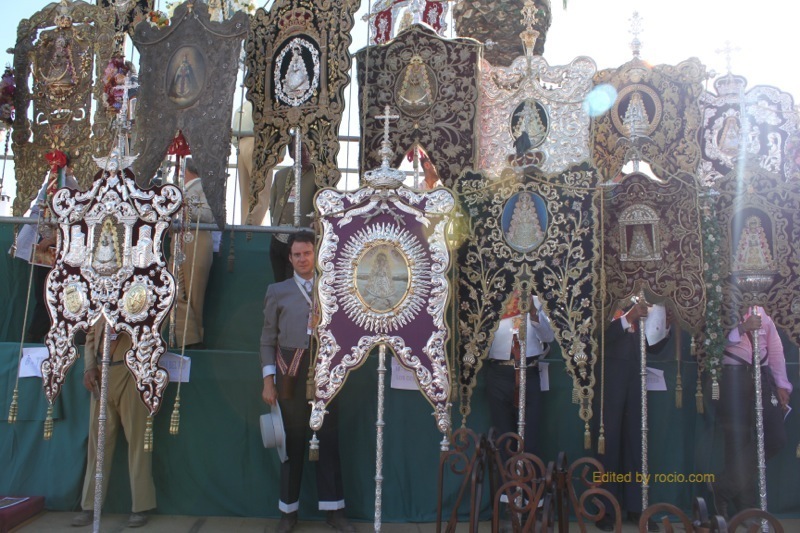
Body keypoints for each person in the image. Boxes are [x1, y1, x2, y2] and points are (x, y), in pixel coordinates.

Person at [259, 233, 354, 533]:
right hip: (290, 374)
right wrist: (268, 381)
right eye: (297, 254)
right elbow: (267, 340)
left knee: (329, 441)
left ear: (316, 254)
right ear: (289, 258)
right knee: (291, 442)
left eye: (307, 253)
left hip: (327, 373)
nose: (302, 259)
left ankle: (334, 511)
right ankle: (288, 513)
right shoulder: (277, 291)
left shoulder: (333, 289)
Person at [71, 318, 156, 528]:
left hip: (132, 374)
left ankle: (140, 507)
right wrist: (89, 367)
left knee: (138, 442)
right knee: (98, 443)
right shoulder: (102, 304)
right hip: (102, 374)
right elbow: (91, 336)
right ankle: (90, 506)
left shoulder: (144, 300)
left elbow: (154, 331)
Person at [709, 306, 792, 518]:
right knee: (737, 440)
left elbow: (775, 349)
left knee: (775, 438)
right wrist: (742, 328)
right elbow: (712, 344)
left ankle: (723, 487)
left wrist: (782, 384)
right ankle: (744, 509)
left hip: (762, 376)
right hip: (732, 376)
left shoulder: (763, 310)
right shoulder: (721, 305)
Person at [594, 301, 669, 533]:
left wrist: (665, 325)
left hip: (636, 376)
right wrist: (628, 318)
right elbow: (596, 336)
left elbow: (652, 346)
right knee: (608, 443)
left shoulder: (643, 300)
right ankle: (604, 509)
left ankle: (638, 507)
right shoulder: (603, 297)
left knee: (637, 441)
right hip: (609, 376)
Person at [10, 158, 78, 343]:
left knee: (62, 295)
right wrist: (42, 237)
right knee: (42, 294)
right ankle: (36, 336)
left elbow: (78, 219)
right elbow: (38, 212)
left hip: (68, 249)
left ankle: (57, 337)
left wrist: (54, 238)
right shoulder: (51, 185)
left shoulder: (75, 187)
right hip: (45, 249)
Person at [486, 292, 555, 460]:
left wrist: (533, 312)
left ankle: (529, 475)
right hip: (499, 374)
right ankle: (506, 476)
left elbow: (548, 337)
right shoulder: (493, 301)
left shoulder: (537, 302)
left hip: (528, 373)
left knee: (530, 437)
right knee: (503, 437)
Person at [172, 158, 214, 349]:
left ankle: (192, 339)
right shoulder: (182, 189)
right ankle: (189, 336)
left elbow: (209, 215)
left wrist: (184, 206)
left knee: (193, 293)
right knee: (175, 289)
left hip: (197, 240)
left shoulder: (202, 187)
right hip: (181, 242)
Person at [269, 144, 316, 283]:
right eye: (300, 150)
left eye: (307, 149)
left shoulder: (318, 176)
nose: (305, 154)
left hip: (302, 238)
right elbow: (273, 204)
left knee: (296, 284)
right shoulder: (280, 175)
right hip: (278, 237)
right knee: (279, 282)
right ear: (291, 153)